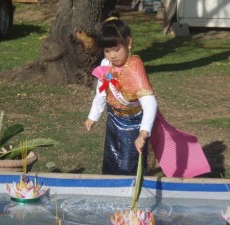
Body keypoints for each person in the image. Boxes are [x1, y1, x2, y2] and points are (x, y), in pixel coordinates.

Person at [85, 13, 211, 177]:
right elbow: (101, 92)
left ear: (128, 43)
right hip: (113, 120)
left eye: (116, 49)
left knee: (129, 165)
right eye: (107, 51)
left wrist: (143, 132)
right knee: (111, 160)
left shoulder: (134, 68)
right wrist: (93, 116)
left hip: (133, 124)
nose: (112, 55)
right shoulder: (106, 64)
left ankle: (132, 195)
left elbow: (149, 103)